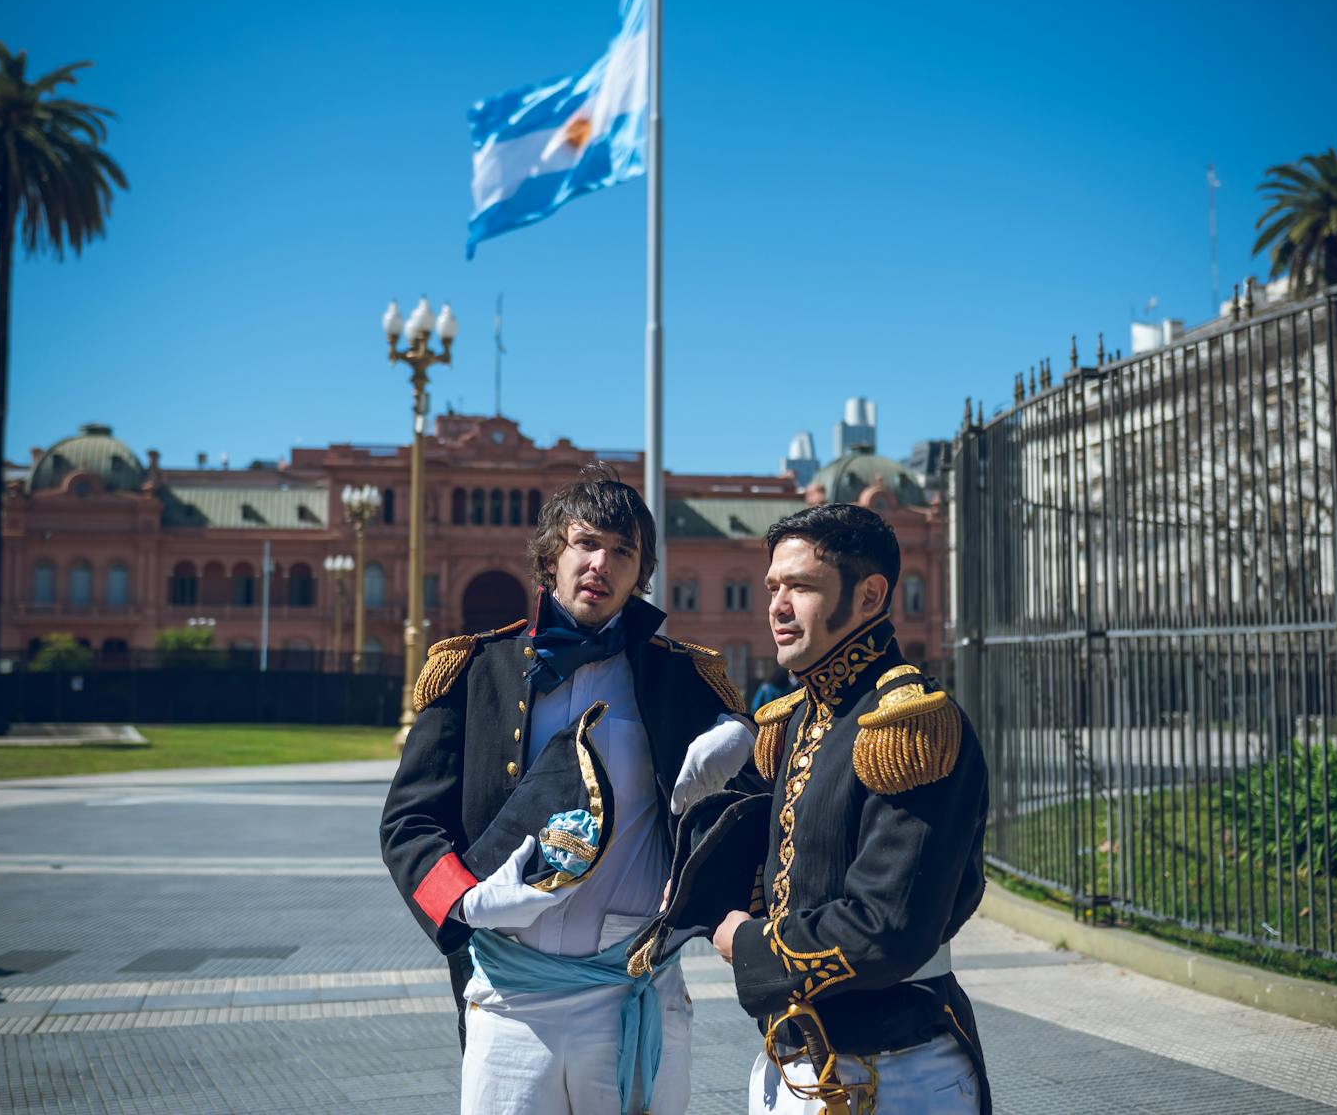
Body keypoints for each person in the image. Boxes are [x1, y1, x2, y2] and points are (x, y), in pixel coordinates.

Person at [380, 463, 759, 1115]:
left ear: (640, 573)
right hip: (511, 995)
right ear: (551, 554)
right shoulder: (472, 671)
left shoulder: (689, 682)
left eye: (621, 551)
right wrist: (465, 903)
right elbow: (409, 823)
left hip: (635, 988)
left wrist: (739, 762)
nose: (600, 564)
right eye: (585, 543)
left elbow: (749, 823)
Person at [713, 503, 991, 1114]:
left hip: (893, 1071)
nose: (777, 607)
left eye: (802, 587)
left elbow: (888, 929)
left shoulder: (909, 725)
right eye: (773, 587)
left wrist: (751, 945)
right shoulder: (794, 721)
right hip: (792, 1061)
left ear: (870, 595)